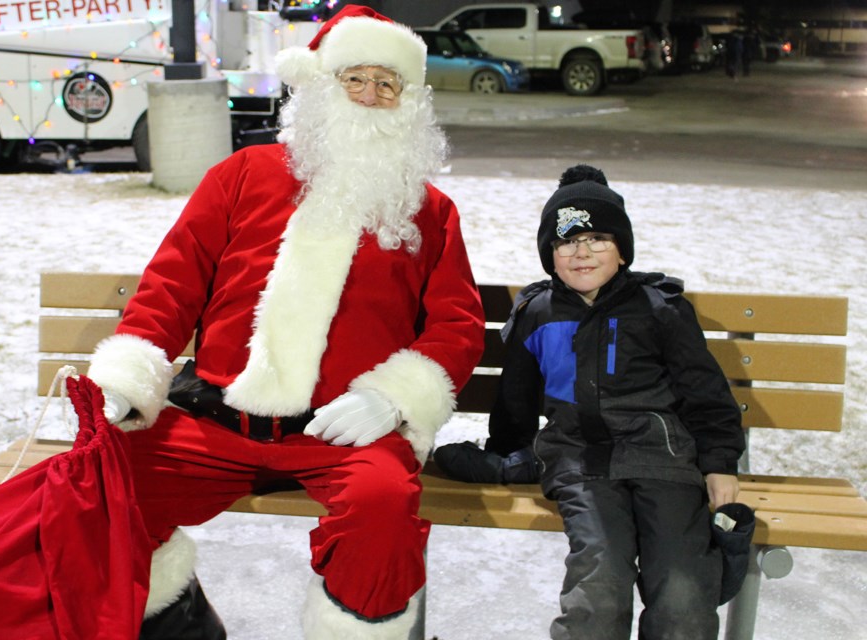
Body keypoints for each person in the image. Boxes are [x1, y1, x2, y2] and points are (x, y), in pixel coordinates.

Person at [85, 6, 485, 638]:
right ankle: (179, 627)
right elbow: (175, 281)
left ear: (408, 102)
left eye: (389, 83)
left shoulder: (430, 211)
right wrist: (129, 374)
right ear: (324, 85)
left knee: (383, 509)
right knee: (103, 488)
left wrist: (395, 397)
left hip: (344, 431)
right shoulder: (243, 175)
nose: (372, 95)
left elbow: (458, 323)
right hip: (219, 415)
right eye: (356, 78)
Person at [435, 165, 745, 639]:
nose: (582, 252)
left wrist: (720, 460)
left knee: (683, 590)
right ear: (550, 254)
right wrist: (505, 452)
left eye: (598, 238)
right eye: (566, 241)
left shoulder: (658, 309)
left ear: (622, 250)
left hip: (662, 461)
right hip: (579, 463)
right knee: (600, 581)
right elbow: (515, 397)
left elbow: (704, 389)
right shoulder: (537, 314)